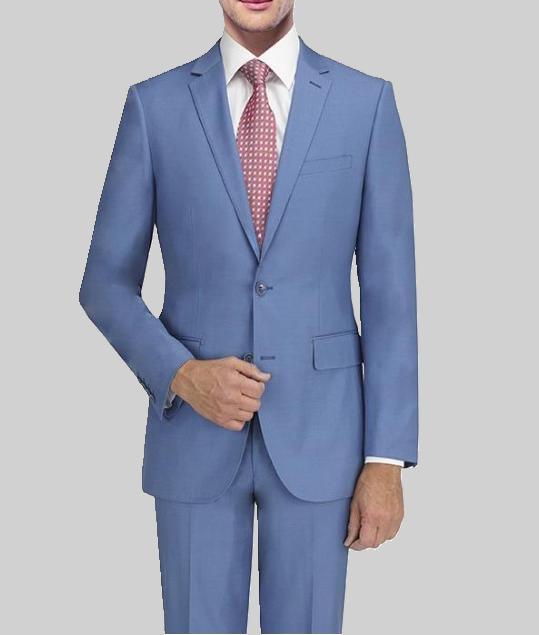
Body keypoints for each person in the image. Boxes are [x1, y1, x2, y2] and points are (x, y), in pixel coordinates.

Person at [79, 0, 418, 632]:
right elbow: (104, 284)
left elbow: (390, 296)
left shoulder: (365, 103)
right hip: (193, 434)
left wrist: (387, 457)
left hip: (323, 437)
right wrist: (181, 374)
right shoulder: (154, 106)